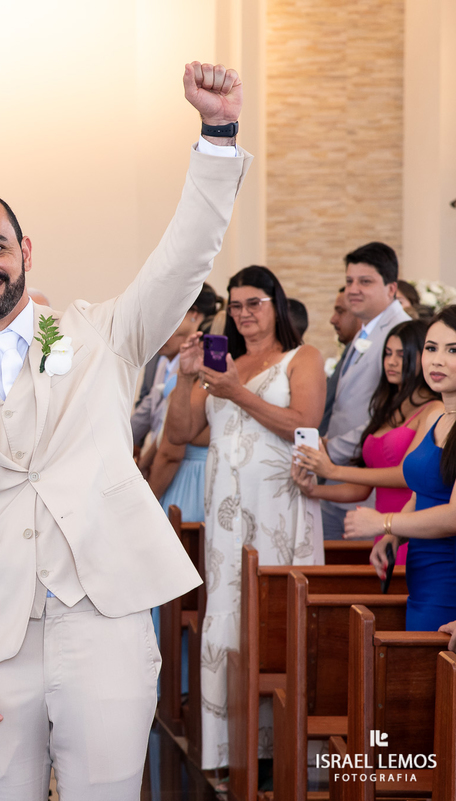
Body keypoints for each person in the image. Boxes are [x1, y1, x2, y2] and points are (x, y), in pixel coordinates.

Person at [0, 63, 245, 798]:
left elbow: (186, 257)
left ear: (26, 250)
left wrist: (216, 135)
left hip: (105, 622)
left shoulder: (100, 335)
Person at [165, 264, 326, 770]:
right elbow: (182, 432)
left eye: (254, 302)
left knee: (277, 620)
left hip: (281, 507)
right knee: (227, 616)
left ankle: (283, 754)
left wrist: (237, 392)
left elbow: (304, 423)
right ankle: (227, 753)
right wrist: (186, 376)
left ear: (276, 303)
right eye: (235, 306)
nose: (243, 313)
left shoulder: (302, 358)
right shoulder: (222, 364)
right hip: (227, 514)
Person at [345, 306, 456, 633]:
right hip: (421, 576)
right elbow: (423, 490)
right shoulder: (437, 416)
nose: (436, 360)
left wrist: (383, 521)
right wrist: (395, 535)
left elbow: (453, 515)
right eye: (431, 348)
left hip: (448, 579)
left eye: (453, 350)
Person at [293, 319, 440, 565]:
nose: (391, 362)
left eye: (402, 355)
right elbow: (362, 487)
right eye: (388, 353)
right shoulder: (387, 410)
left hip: (410, 528)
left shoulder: (433, 410)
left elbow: (406, 474)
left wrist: (333, 470)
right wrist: (314, 490)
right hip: (380, 531)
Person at [322, 242, 412, 539]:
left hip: (368, 474)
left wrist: (331, 450)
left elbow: (394, 410)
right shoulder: (367, 328)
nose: (353, 289)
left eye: (365, 281)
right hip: (344, 470)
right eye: (349, 281)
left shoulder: (400, 332)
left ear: (391, 288)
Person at [136, 285, 219, 519]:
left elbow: (172, 445)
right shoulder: (165, 361)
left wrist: (147, 499)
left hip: (188, 476)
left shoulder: (195, 373)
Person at [321, 287, 362, 434]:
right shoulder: (351, 349)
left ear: (359, 313)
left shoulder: (361, 354)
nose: (333, 319)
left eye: (340, 311)